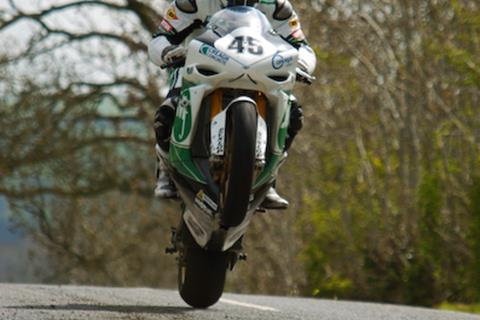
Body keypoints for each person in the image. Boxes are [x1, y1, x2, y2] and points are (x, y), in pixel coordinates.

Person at [148, 0, 316, 209]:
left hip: (258, 71)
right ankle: (166, 170)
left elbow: (302, 46)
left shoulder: (277, 7)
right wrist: (168, 52)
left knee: (293, 115)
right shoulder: (193, 2)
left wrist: (301, 64)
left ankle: (269, 177)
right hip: (201, 68)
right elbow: (160, 37)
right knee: (168, 110)